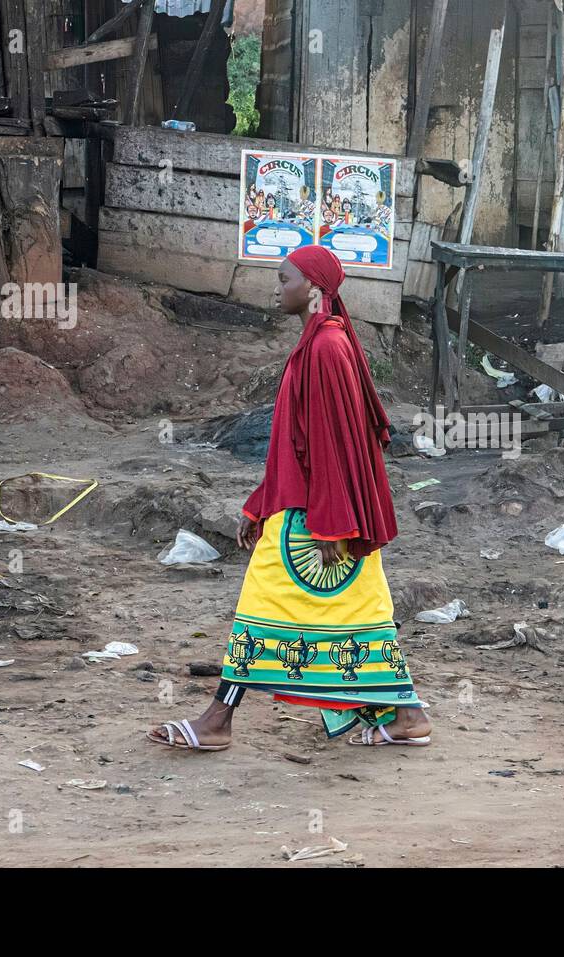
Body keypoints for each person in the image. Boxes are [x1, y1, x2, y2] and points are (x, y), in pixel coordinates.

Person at [147, 246, 431, 751]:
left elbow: (333, 441)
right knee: (358, 613)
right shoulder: (320, 343)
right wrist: (262, 502)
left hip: (318, 515)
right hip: (318, 508)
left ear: (314, 288)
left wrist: (330, 522)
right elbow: (298, 440)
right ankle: (406, 714)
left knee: (262, 605)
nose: (275, 289)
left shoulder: (325, 348)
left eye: (283, 280)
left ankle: (217, 721)